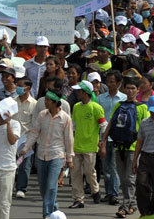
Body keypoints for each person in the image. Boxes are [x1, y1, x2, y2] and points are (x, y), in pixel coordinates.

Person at [101, 74, 150, 217]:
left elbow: (144, 129)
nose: (130, 91)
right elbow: (110, 124)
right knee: (123, 179)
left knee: (129, 178)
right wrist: (103, 141)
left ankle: (124, 206)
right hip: (118, 146)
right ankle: (132, 204)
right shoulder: (119, 105)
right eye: (127, 88)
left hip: (133, 148)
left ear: (137, 90)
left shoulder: (142, 108)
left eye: (133, 88)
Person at [20, 90, 74, 218]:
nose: (45, 102)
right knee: (44, 187)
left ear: (55, 103)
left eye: (48, 101)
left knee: (51, 186)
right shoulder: (42, 115)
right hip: (41, 155)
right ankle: (55, 210)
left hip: (57, 155)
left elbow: (69, 139)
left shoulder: (65, 118)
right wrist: (26, 147)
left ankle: (47, 215)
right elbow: (34, 133)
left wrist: (69, 158)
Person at [70, 80, 107, 208]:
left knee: (89, 172)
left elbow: (103, 125)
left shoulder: (96, 107)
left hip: (91, 146)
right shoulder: (76, 107)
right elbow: (73, 126)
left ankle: (95, 189)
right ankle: (78, 199)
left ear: (85, 92)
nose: (77, 93)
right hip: (77, 146)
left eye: (79, 91)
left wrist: (102, 143)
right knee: (75, 174)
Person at [99, 70, 126, 206]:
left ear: (119, 83)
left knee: (114, 167)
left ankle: (114, 194)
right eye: (107, 81)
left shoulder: (124, 99)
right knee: (106, 167)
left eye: (112, 82)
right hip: (103, 137)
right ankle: (109, 192)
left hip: (117, 137)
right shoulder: (100, 98)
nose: (109, 84)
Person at [14, 77, 37, 199]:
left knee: (25, 165)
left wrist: (30, 142)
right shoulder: (12, 101)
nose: (17, 87)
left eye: (20, 85)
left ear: (27, 88)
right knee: (11, 164)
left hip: (26, 139)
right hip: (12, 138)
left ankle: (21, 188)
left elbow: (35, 125)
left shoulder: (34, 104)